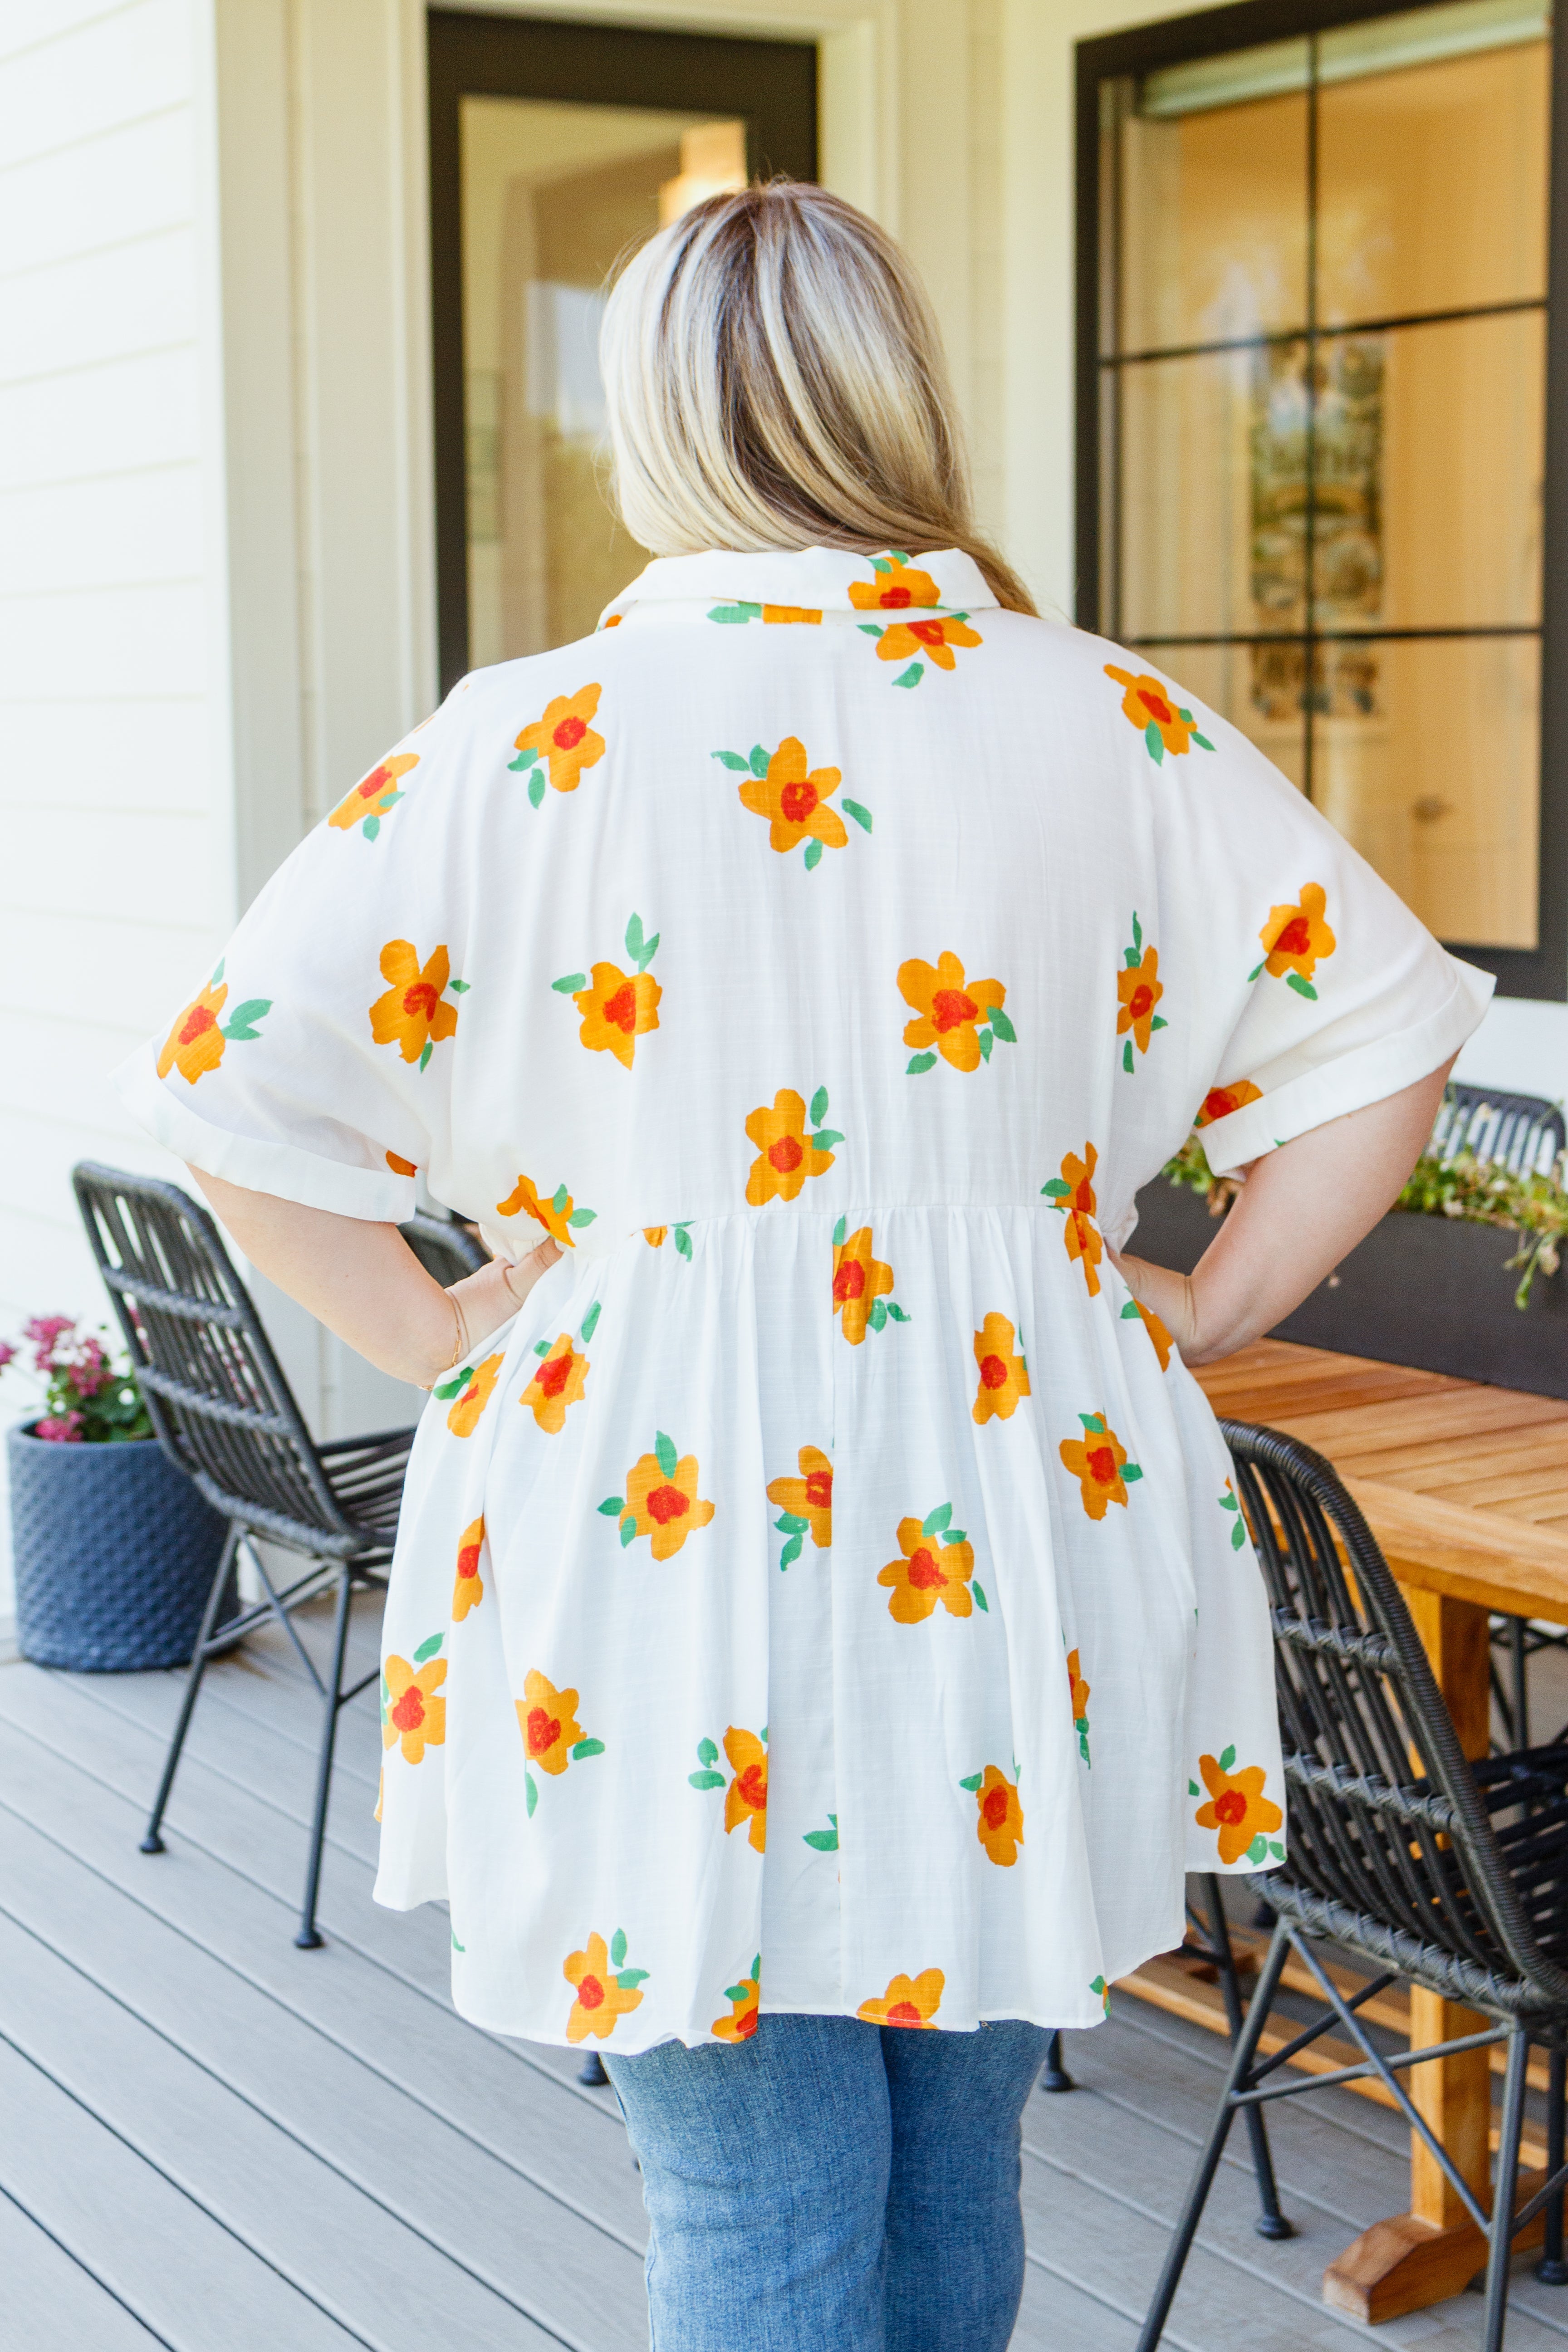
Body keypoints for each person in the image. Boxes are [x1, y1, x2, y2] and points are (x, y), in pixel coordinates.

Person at [116, 182, 1490, 2351]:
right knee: (955, 2165)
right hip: (1019, 1519)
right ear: (898, 397)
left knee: (755, 2201)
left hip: (648, 1536)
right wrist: (1209, 1305)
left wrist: (445, 1326)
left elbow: (230, 1093)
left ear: (648, 424)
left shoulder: (528, 737)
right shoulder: (1100, 719)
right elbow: (1394, 1034)